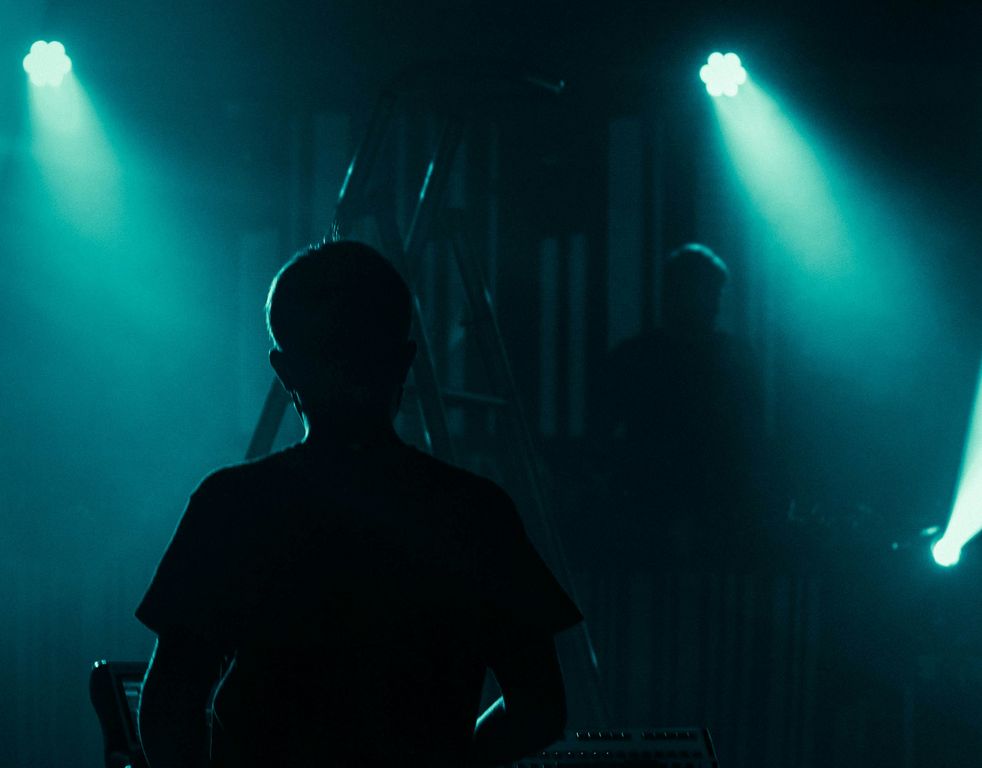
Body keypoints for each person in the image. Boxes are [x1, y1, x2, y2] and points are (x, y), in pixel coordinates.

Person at [135, 240, 582, 768]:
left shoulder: (231, 505)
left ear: (285, 371)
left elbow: (170, 703)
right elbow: (539, 707)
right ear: (403, 362)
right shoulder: (475, 512)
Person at [592, 243, 762, 564]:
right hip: (675, 499)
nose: (714, 304)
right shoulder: (732, 356)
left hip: (677, 498)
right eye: (708, 292)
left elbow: (601, 430)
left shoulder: (636, 355)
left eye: (715, 293)